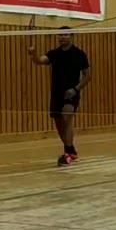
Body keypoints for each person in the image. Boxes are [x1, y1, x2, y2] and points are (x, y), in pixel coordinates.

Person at [28, 26, 92, 166]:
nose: (62, 37)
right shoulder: (54, 53)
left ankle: (67, 153)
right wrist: (33, 54)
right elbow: (39, 61)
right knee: (59, 123)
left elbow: (87, 76)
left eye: (65, 35)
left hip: (71, 93)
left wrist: (75, 89)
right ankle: (71, 150)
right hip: (56, 93)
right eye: (60, 35)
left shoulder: (79, 54)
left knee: (67, 117)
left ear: (71, 36)